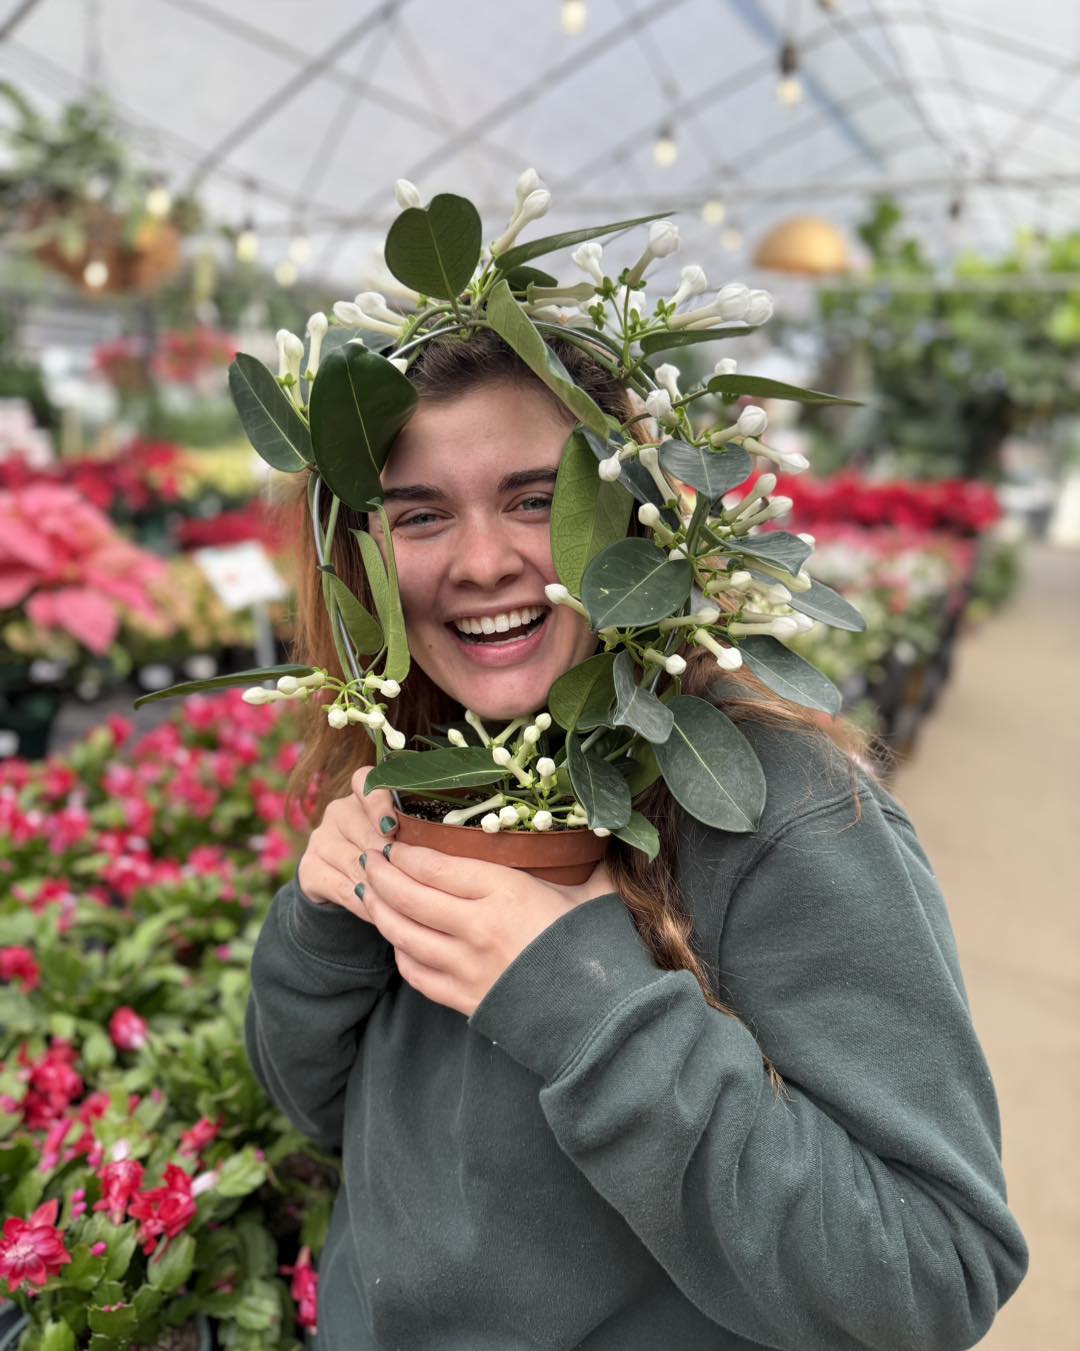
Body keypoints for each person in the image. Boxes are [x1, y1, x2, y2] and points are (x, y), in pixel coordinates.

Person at [245, 330, 1027, 1350]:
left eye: (536, 499)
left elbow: (934, 1273)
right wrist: (323, 922)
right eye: (420, 515)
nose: (484, 564)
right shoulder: (419, 753)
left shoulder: (774, 809)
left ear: (642, 513)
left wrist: (584, 1006)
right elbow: (313, 1104)